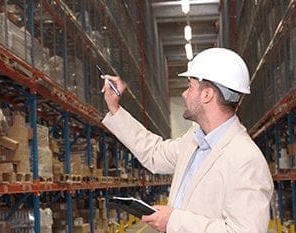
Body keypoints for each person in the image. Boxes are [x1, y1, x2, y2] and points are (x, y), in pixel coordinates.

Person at [101, 47, 274, 233]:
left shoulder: (245, 159)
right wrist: (115, 109)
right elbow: (154, 153)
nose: (184, 94)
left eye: (190, 86)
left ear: (207, 95)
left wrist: (174, 221)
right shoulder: (194, 141)